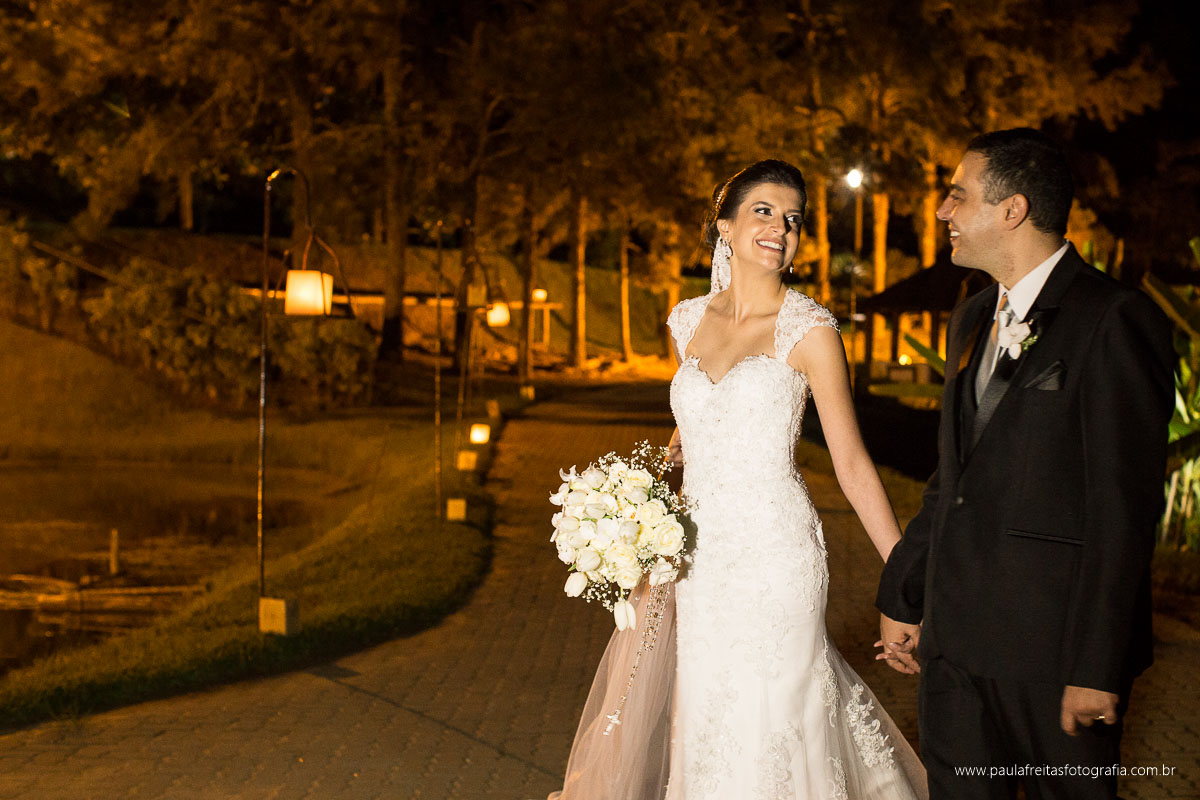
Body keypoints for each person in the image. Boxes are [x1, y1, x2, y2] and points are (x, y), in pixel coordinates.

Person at [552, 160, 927, 799]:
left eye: (793, 219)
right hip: (697, 561)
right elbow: (686, 438)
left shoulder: (811, 332)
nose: (780, 228)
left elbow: (852, 464)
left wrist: (905, 582)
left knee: (776, 716)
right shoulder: (684, 321)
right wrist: (626, 507)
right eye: (764, 212)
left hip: (778, 556)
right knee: (704, 718)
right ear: (724, 226)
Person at [875, 129, 1175, 800]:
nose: (943, 212)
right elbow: (952, 480)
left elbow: (1123, 514)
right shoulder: (972, 318)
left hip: (1054, 659)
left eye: (957, 196)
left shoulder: (1115, 320)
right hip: (954, 656)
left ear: (1012, 210)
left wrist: (1096, 667)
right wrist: (903, 592)